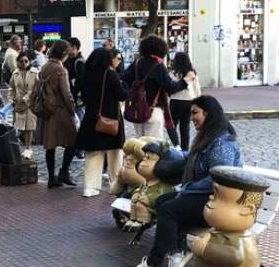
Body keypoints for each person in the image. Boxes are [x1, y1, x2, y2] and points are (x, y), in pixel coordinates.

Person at [124, 95, 242, 267]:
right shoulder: (210, 137)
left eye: (195, 113)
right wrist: (164, 151)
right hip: (209, 197)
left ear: (208, 113)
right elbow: (192, 157)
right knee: (163, 201)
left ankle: (153, 266)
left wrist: (186, 189)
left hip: (219, 203)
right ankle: (177, 249)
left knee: (170, 209)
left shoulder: (221, 142)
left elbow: (218, 177)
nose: (192, 117)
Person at [76, 48, 128, 197]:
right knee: (115, 154)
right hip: (110, 119)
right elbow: (122, 95)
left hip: (91, 118)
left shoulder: (85, 75)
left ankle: (89, 187)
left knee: (93, 154)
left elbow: (81, 96)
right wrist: (124, 85)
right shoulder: (109, 74)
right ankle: (115, 185)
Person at [121, 35, 191, 139]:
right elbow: (170, 87)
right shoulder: (157, 65)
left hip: (137, 110)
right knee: (153, 148)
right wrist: (185, 81)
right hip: (153, 110)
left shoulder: (137, 62)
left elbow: (124, 78)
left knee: (140, 145)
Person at [38, 40, 78, 188]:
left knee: (50, 145)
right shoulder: (60, 69)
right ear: (63, 53)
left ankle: (51, 177)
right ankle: (64, 172)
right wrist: (72, 109)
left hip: (47, 110)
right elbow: (66, 93)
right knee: (73, 141)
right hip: (60, 111)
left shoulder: (45, 66)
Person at [167, 52, 201, 150]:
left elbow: (170, 87)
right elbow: (197, 88)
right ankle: (185, 149)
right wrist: (198, 100)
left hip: (175, 101)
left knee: (171, 125)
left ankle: (176, 144)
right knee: (185, 126)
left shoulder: (173, 73)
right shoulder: (192, 73)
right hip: (189, 101)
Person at [8, 50, 38, 158]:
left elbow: (35, 88)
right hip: (18, 104)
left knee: (29, 127)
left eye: (26, 61)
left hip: (30, 103)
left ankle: (28, 148)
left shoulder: (35, 73)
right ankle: (21, 147)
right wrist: (11, 99)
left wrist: (26, 98)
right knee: (19, 127)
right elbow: (11, 88)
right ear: (18, 62)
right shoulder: (15, 73)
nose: (24, 63)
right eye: (22, 61)